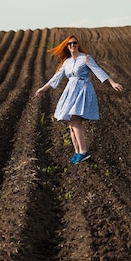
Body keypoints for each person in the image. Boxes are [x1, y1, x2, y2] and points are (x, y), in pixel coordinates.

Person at [35, 35, 123, 164]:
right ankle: (77, 152)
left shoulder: (86, 58)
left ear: (77, 44)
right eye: (69, 44)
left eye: (74, 43)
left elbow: (98, 70)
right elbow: (56, 77)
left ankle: (83, 152)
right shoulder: (67, 62)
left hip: (83, 90)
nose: (72, 45)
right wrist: (44, 88)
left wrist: (112, 83)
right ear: (67, 46)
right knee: (71, 124)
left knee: (75, 121)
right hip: (71, 92)